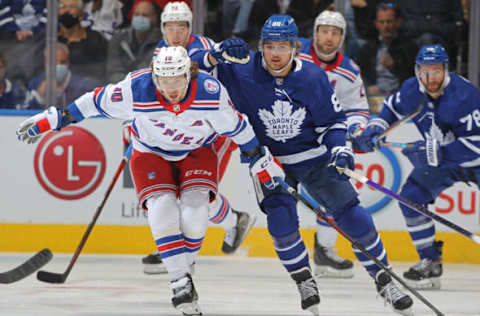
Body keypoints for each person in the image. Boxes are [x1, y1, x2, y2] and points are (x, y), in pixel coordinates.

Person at [16, 45, 284, 316]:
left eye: (177, 80)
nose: (171, 88)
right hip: (150, 152)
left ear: (188, 75)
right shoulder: (136, 88)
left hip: (197, 151)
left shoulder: (210, 92)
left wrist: (255, 156)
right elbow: (94, 101)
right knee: (161, 206)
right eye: (164, 81)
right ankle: (180, 281)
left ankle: (185, 269)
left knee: (195, 212)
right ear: (155, 77)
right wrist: (57, 118)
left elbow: (237, 127)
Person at [191, 14, 413, 315]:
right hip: (267, 161)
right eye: (269, 46)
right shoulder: (240, 69)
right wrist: (213, 55)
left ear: (295, 47)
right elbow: (187, 69)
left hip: (312, 157)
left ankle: (385, 279)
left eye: (282, 46)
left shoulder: (311, 77)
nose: (275, 54)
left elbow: (333, 122)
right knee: (281, 222)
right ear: (262, 47)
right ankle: (304, 280)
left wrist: (340, 149)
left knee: (352, 216)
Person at [353, 43, 480, 290]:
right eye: (424, 71)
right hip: (444, 163)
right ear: (416, 71)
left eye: (435, 71)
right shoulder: (413, 89)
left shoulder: (467, 95)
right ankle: (429, 261)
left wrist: (439, 152)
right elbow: (390, 108)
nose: (429, 78)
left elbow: (477, 143)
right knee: (411, 196)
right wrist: (376, 127)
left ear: (446, 69)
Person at [142, 1, 257, 274]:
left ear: (189, 27)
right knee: (186, 192)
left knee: (197, 192)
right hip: (188, 129)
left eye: (181, 26)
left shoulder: (202, 45)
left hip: (218, 127)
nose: (176, 32)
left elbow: (203, 59)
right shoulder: (162, 51)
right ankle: (234, 221)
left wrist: (217, 54)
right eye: (170, 26)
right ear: (163, 28)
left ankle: (178, 251)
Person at [297, 10, 369, 279]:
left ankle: (324, 251)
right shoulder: (294, 53)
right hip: (286, 137)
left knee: (333, 189)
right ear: (314, 33)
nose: (329, 38)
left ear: (342, 37)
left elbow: (358, 110)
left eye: (335, 32)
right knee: (278, 194)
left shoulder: (349, 72)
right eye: (324, 31)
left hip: (323, 142)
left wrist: (355, 129)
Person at [357, 2, 417, 97]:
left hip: (401, 96)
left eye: (389, 21)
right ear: (376, 24)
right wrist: (368, 88)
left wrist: (395, 66)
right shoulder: (368, 48)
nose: (386, 26)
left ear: (398, 22)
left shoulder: (409, 47)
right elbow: (361, 75)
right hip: (375, 97)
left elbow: (414, 77)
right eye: (382, 22)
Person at [24, 42, 95, 109]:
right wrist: (39, 96)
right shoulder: (34, 83)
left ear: (68, 63)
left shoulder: (83, 86)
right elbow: (24, 112)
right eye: (54, 62)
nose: (58, 65)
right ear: (46, 63)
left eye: (63, 62)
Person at [106, 0, 162, 83]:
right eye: (136, 14)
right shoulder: (118, 38)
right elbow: (114, 71)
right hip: (120, 88)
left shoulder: (161, 41)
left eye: (145, 15)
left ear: (155, 18)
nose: (140, 18)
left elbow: (149, 73)